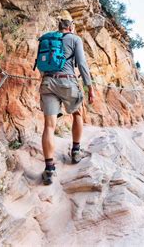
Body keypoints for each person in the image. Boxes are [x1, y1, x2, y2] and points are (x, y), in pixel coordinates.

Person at [39, 10, 94, 185]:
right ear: (70, 26)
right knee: (77, 114)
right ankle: (76, 151)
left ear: (59, 25)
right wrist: (89, 87)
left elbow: (41, 63)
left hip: (47, 83)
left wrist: (48, 78)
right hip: (68, 83)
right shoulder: (75, 39)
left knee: (49, 125)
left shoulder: (46, 39)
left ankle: (49, 169)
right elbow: (82, 64)